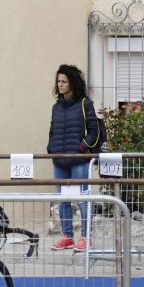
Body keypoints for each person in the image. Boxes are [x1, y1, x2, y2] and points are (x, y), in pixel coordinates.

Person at [47, 64, 101, 252]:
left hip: (79, 160)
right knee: (63, 199)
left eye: (64, 81)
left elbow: (94, 131)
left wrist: (82, 147)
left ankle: (87, 238)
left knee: (82, 199)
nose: (60, 85)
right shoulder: (56, 107)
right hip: (59, 160)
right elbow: (53, 130)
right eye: (58, 81)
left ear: (72, 83)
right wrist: (51, 147)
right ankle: (67, 237)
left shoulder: (85, 104)